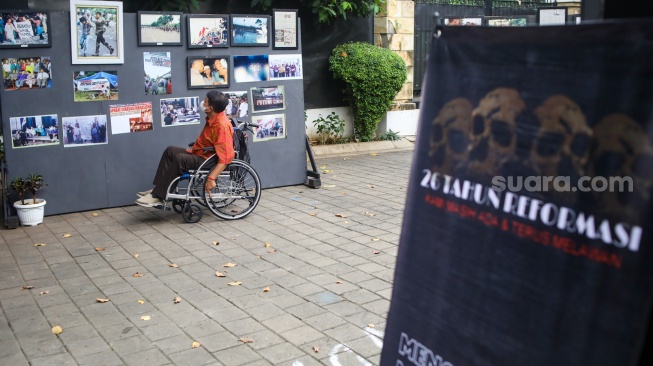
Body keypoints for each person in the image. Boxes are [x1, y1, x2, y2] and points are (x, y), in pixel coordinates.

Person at [136, 91, 235, 208]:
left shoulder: (222, 125)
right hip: (202, 153)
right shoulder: (213, 118)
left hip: (209, 160)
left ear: (210, 108)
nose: (202, 103)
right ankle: (159, 189)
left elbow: (226, 157)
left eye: (205, 101)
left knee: (180, 159)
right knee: (170, 151)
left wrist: (211, 177)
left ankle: (159, 195)